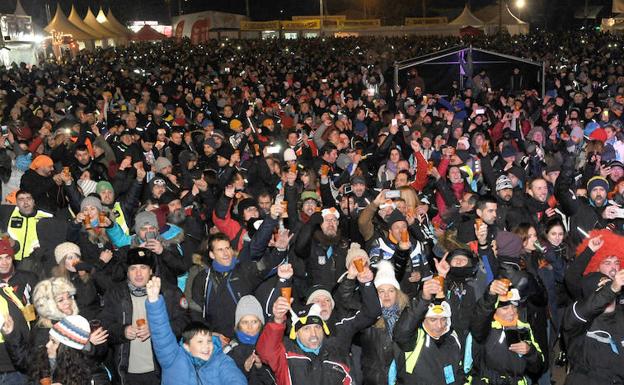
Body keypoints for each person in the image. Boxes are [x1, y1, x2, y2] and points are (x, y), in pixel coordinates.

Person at [99, 247, 189, 385]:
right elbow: (104, 325)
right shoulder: (115, 293)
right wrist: (122, 331)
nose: (138, 273)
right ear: (127, 272)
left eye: (143, 267)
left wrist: (156, 330)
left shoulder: (169, 292)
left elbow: (184, 322)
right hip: (125, 373)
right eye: (133, 268)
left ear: (151, 270)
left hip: (160, 371)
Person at [145, 276, 247, 385]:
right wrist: (154, 303)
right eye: (200, 341)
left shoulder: (221, 360)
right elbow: (161, 335)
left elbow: (235, 379)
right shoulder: (173, 359)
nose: (207, 346)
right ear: (187, 346)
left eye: (209, 341)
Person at [470, 280, 545, 385]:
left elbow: (537, 367)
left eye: (514, 307)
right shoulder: (486, 328)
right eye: (505, 308)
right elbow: (479, 318)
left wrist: (529, 352)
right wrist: (491, 294)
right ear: (495, 309)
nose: (512, 312)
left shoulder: (523, 327)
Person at [393, 277, 464, 384]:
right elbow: (403, 330)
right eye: (433, 319)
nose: (439, 325)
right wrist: (424, 298)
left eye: (443, 319)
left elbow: (458, 374)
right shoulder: (413, 340)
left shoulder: (453, 338)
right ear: (422, 319)